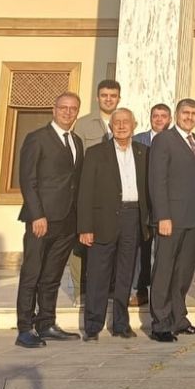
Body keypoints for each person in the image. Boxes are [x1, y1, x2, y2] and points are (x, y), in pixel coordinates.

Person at [14, 91, 84, 348]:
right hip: (41, 219)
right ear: (54, 110)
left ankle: (46, 323)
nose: (68, 112)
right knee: (32, 273)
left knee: (52, 275)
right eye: (63, 107)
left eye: (73, 108)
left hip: (67, 221)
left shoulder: (76, 141)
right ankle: (25, 328)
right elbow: (28, 179)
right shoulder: (37, 138)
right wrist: (37, 214)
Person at [76, 107, 148, 340]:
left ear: (134, 125)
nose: (122, 125)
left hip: (132, 217)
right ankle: (93, 326)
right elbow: (85, 192)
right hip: (103, 220)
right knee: (98, 274)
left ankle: (121, 324)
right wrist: (85, 227)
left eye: (126, 121)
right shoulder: (96, 153)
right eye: (117, 122)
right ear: (110, 127)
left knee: (125, 274)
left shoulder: (143, 153)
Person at [147, 98, 195, 342]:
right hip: (170, 219)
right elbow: (157, 180)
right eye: (186, 112)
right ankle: (160, 323)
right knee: (164, 270)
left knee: (183, 272)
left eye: (194, 113)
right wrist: (162, 216)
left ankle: (178, 319)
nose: (190, 117)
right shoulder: (164, 139)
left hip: (193, 218)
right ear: (176, 114)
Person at [68, 78, 121, 306]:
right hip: (88, 192)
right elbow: (76, 159)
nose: (108, 99)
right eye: (104, 95)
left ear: (118, 98)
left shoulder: (123, 121)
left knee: (112, 244)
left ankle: (109, 288)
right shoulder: (83, 125)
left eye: (113, 96)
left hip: (113, 197)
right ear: (97, 98)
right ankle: (80, 290)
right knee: (81, 244)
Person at [131, 102, 172, 308]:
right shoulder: (137, 140)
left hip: (166, 203)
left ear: (170, 119)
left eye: (163, 116)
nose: (159, 119)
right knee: (141, 248)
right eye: (155, 115)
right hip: (142, 202)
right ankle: (139, 290)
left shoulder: (175, 141)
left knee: (164, 251)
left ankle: (162, 292)